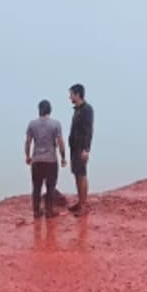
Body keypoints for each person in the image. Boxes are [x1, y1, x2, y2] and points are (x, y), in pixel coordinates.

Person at [25, 99, 69, 219]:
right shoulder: (55, 124)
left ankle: (36, 211)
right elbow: (60, 142)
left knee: (36, 187)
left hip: (37, 160)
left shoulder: (32, 124)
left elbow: (28, 142)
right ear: (50, 110)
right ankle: (49, 211)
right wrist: (63, 157)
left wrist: (28, 156)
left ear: (39, 110)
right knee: (50, 186)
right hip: (51, 160)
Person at [67, 83, 94, 216]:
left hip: (81, 148)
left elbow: (88, 131)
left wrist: (86, 149)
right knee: (77, 174)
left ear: (78, 94)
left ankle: (83, 206)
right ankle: (80, 201)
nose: (69, 97)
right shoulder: (77, 110)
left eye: (71, 94)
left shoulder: (87, 110)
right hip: (74, 148)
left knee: (82, 175)